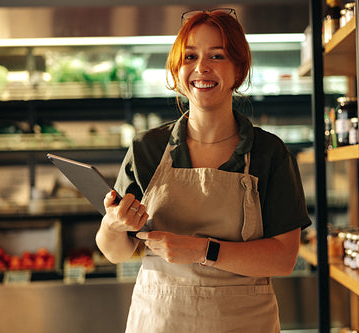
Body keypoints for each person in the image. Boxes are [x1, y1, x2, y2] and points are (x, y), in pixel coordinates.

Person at [96, 8, 311, 332]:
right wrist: (113, 225)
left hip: (242, 322)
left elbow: (283, 257)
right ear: (176, 69)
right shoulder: (147, 149)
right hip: (161, 319)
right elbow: (116, 251)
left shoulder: (269, 153)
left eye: (218, 56)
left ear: (239, 69)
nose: (201, 68)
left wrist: (202, 250)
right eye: (190, 56)